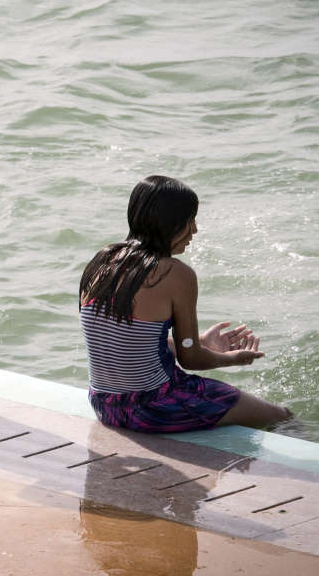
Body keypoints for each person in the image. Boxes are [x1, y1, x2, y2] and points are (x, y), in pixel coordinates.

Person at [78, 175, 292, 431]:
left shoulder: (101, 262)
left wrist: (201, 342)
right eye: (189, 221)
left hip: (105, 406)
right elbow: (192, 360)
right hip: (155, 407)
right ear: (167, 222)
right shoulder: (175, 273)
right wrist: (234, 359)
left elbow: (127, 340)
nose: (194, 230)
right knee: (280, 416)